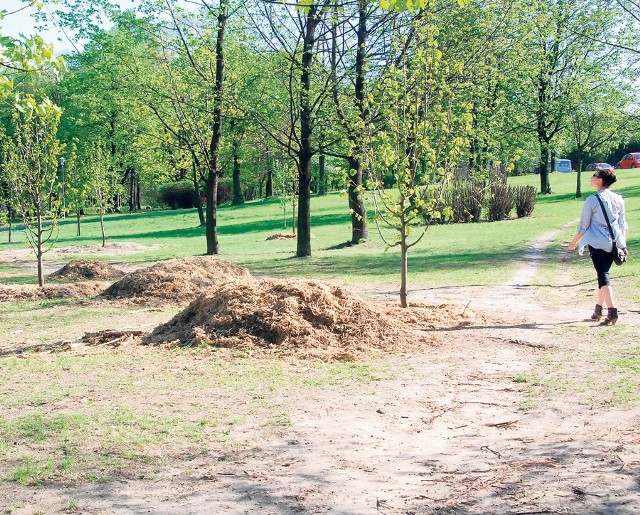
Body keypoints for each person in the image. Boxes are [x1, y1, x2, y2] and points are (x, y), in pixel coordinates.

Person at [569, 166, 629, 325]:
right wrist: (624, 245)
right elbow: (623, 225)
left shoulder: (592, 200)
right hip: (615, 243)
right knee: (604, 274)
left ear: (600, 180)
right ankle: (598, 310)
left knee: (603, 276)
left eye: (594, 175)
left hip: (597, 242)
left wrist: (574, 242)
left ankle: (612, 311)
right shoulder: (618, 199)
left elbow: (583, 226)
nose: (592, 177)